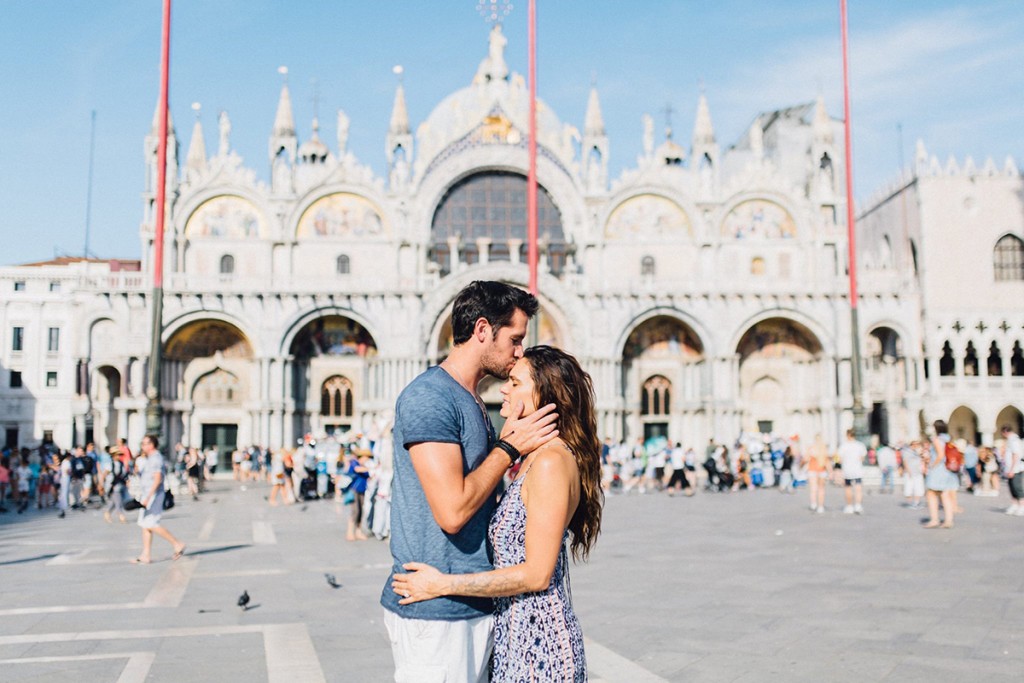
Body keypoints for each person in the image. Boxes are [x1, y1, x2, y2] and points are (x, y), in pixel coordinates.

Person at [380, 281, 558, 683]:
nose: (519, 352)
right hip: (436, 610)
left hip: (470, 601)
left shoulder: (471, 397)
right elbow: (453, 511)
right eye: (514, 339)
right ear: (482, 330)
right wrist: (508, 447)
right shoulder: (431, 397)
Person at [393, 345, 602, 683]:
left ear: (547, 395)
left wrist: (443, 584)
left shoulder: (550, 462)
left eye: (516, 383)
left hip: (540, 647)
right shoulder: (534, 458)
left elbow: (536, 575)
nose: (504, 387)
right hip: (516, 638)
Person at [132, 434, 186, 564]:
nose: (142, 446)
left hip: (154, 495)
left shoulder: (156, 458)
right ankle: (146, 554)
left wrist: (149, 497)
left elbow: (157, 479)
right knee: (145, 524)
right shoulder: (150, 458)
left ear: (151, 445)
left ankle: (177, 543)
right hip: (148, 494)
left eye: (144, 443)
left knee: (152, 524)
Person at [923, 420, 959, 528]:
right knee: (944, 494)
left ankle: (934, 519)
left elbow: (940, 455)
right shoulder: (948, 439)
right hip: (947, 470)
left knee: (931, 494)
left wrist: (931, 465)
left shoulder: (937, 439)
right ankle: (949, 520)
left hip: (938, 470)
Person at [345, 449, 372, 541]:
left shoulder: (362, 465)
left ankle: (358, 531)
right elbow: (357, 470)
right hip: (354, 490)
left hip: (362, 490)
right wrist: (371, 468)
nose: (367, 459)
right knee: (355, 511)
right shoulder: (354, 462)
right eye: (367, 457)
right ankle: (350, 532)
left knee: (360, 511)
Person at [838, 430, 866, 514]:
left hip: (847, 469)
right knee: (858, 488)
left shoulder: (843, 446)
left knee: (848, 488)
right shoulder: (860, 445)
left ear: (847, 435)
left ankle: (849, 506)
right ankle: (858, 505)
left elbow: (839, 459)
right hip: (857, 469)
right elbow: (862, 458)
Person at [1001, 424, 1024, 515]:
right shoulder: (1011, 440)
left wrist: (1012, 469)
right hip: (1011, 468)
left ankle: (1022, 506)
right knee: (1012, 487)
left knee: (1017, 488)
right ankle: (1014, 505)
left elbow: (1016, 455)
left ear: (1005, 432)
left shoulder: (1014, 440)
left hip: (1016, 469)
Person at [104, 447, 129, 523]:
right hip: (113, 486)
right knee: (118, 501)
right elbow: (105, 475)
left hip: (120, 485)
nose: (119, 457)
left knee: (114, 502)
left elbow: (124, 474)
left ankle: (107, 512)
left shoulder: (121, 464)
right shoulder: (109, 465)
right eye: (117, 455)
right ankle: (121, 515)